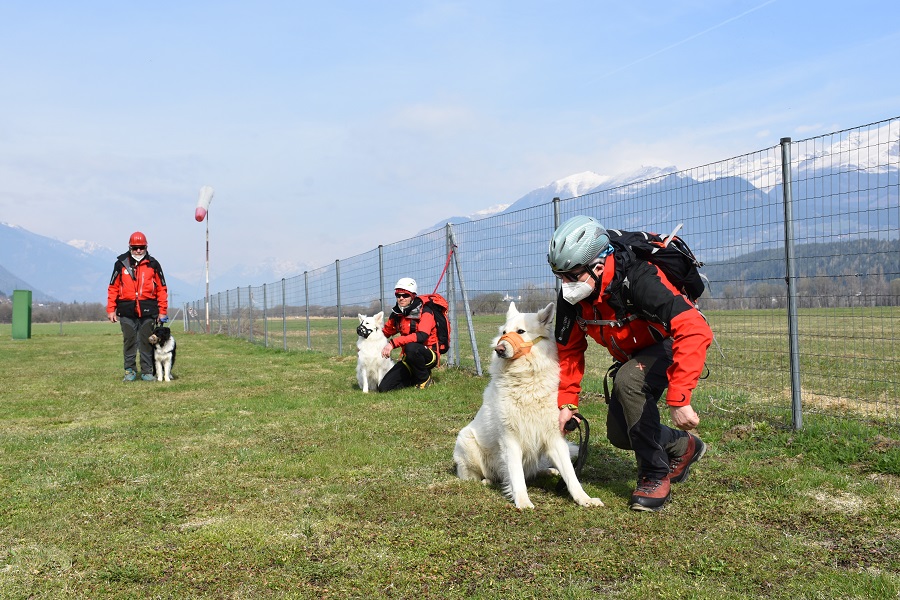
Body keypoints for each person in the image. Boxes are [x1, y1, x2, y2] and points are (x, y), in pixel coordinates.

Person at [547, 215, 712, 512]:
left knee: (628, 380)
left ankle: (654, 475)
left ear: (599, 266)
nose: (566, 285)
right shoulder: (573, 296)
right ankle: (683, 445)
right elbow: (569, 348)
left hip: (668, 343)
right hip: (634, 354)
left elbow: (694, 328)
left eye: (572, 276)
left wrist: (680, 398)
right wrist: (568, 402)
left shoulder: (639, 278)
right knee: (621, 434)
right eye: (560, 277)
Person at [107, 231, 169, 382]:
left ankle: (147, 371)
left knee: (147, 341)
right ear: (130, 247)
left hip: (148, 309)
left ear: (146, 247)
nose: (139, 250)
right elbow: (113, 287)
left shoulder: (153, 264)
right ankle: (129, 371)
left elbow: (162, 288)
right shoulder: (120, 264)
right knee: (129, 341)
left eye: (141, 247)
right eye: (135, 248)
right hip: (126, 310)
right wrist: (111, 309)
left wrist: (162, 311)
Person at [377, 277, 439, 391]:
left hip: (428, 355)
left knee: (411, 347)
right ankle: (416, 377)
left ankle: (424, 379)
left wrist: (393, 343)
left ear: (413, 296)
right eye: (398, 295)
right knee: (384, 388)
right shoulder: (397, 314)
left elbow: (422, 336)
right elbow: (385, 332)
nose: (401, 298)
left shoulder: (426, 311)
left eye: (405, 295)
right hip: (409, 358)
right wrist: (365, 342)